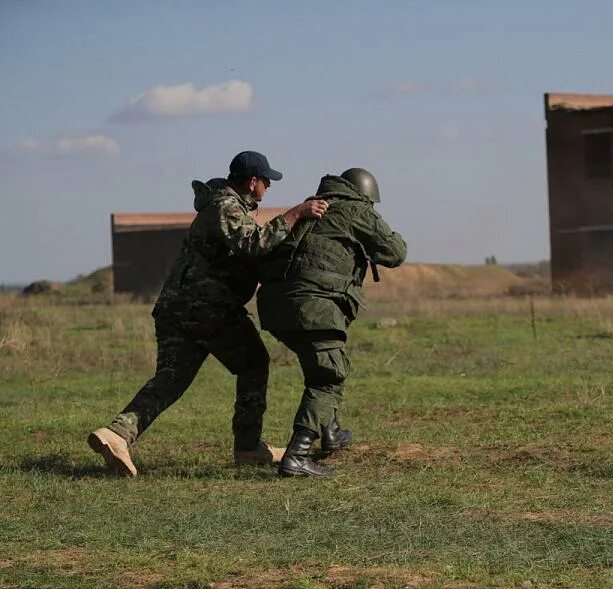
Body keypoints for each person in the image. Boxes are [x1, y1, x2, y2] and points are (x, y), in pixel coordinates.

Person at [87, 151, 328, 477]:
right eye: (266, 181)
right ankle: (247, 446)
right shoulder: (225, 206)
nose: (268, 187)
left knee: (171, 380)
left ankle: (116, 434)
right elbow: (253, 244)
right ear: (253, 182)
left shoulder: (226, 207)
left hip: (179, 308)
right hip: (205, 309)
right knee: (254, 362)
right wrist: (297, 213)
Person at [256, 168, 406, 477]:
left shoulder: (310, 207)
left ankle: (331, 431)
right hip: (314, 305)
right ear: (364, 195)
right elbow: (395, 252)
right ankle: (297, 454)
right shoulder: (356, 209)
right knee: (329, 376)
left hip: (275, 307)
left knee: (320, 364)